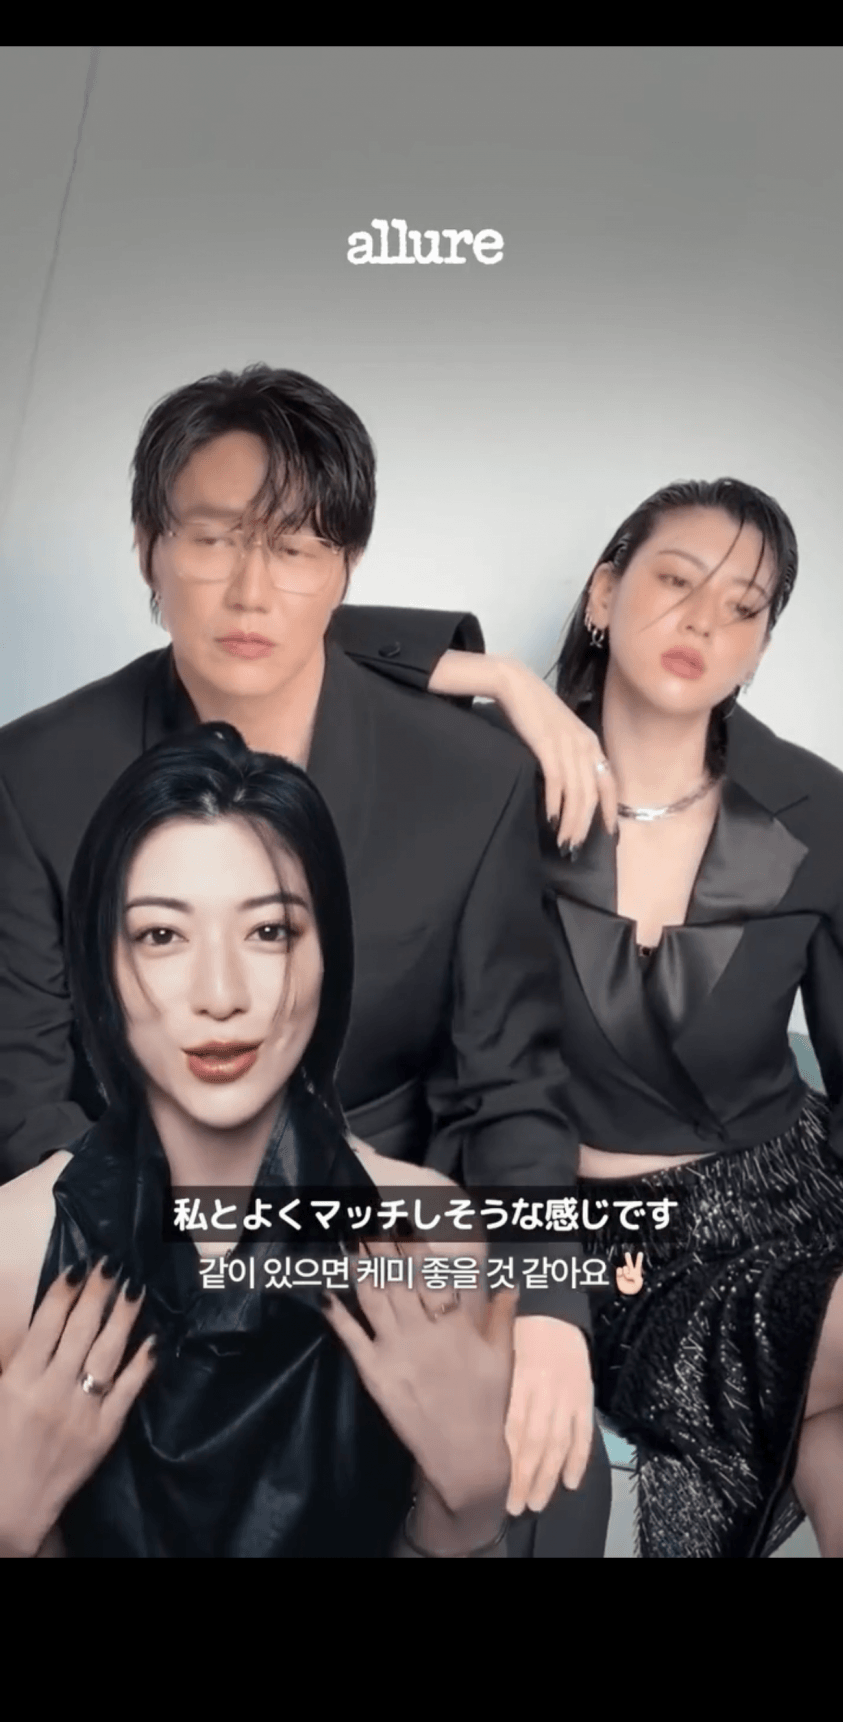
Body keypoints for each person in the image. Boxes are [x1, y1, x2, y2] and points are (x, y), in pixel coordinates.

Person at [0, 365, 610, 1546]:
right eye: (211, 538)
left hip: (381, 1231)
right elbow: (26, 1091)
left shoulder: (472, 782)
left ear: (345, 567)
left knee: (541, 1472)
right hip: (133, 1229)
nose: (249, 589)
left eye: (294, 547)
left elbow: (512, 1086)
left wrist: (547, 1302)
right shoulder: (35, 776)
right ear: (147, 547)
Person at [343, 477, 843, 1558]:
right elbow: (300, 648)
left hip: (795, 1199)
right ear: (604, 595)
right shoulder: (486, 779)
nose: (704, 621)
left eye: (743, 607)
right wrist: (502, 683)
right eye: (676, 582)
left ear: (760, 648)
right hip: (610, 1249)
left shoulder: (822, 810)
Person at [0, 725, 524, 1558]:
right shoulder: (14, 1252)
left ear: (329, 957)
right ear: (101, 967)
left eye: (270, 932)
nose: (222, 994)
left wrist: (467, 1511)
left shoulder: (428, 1235)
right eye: (162, 935)